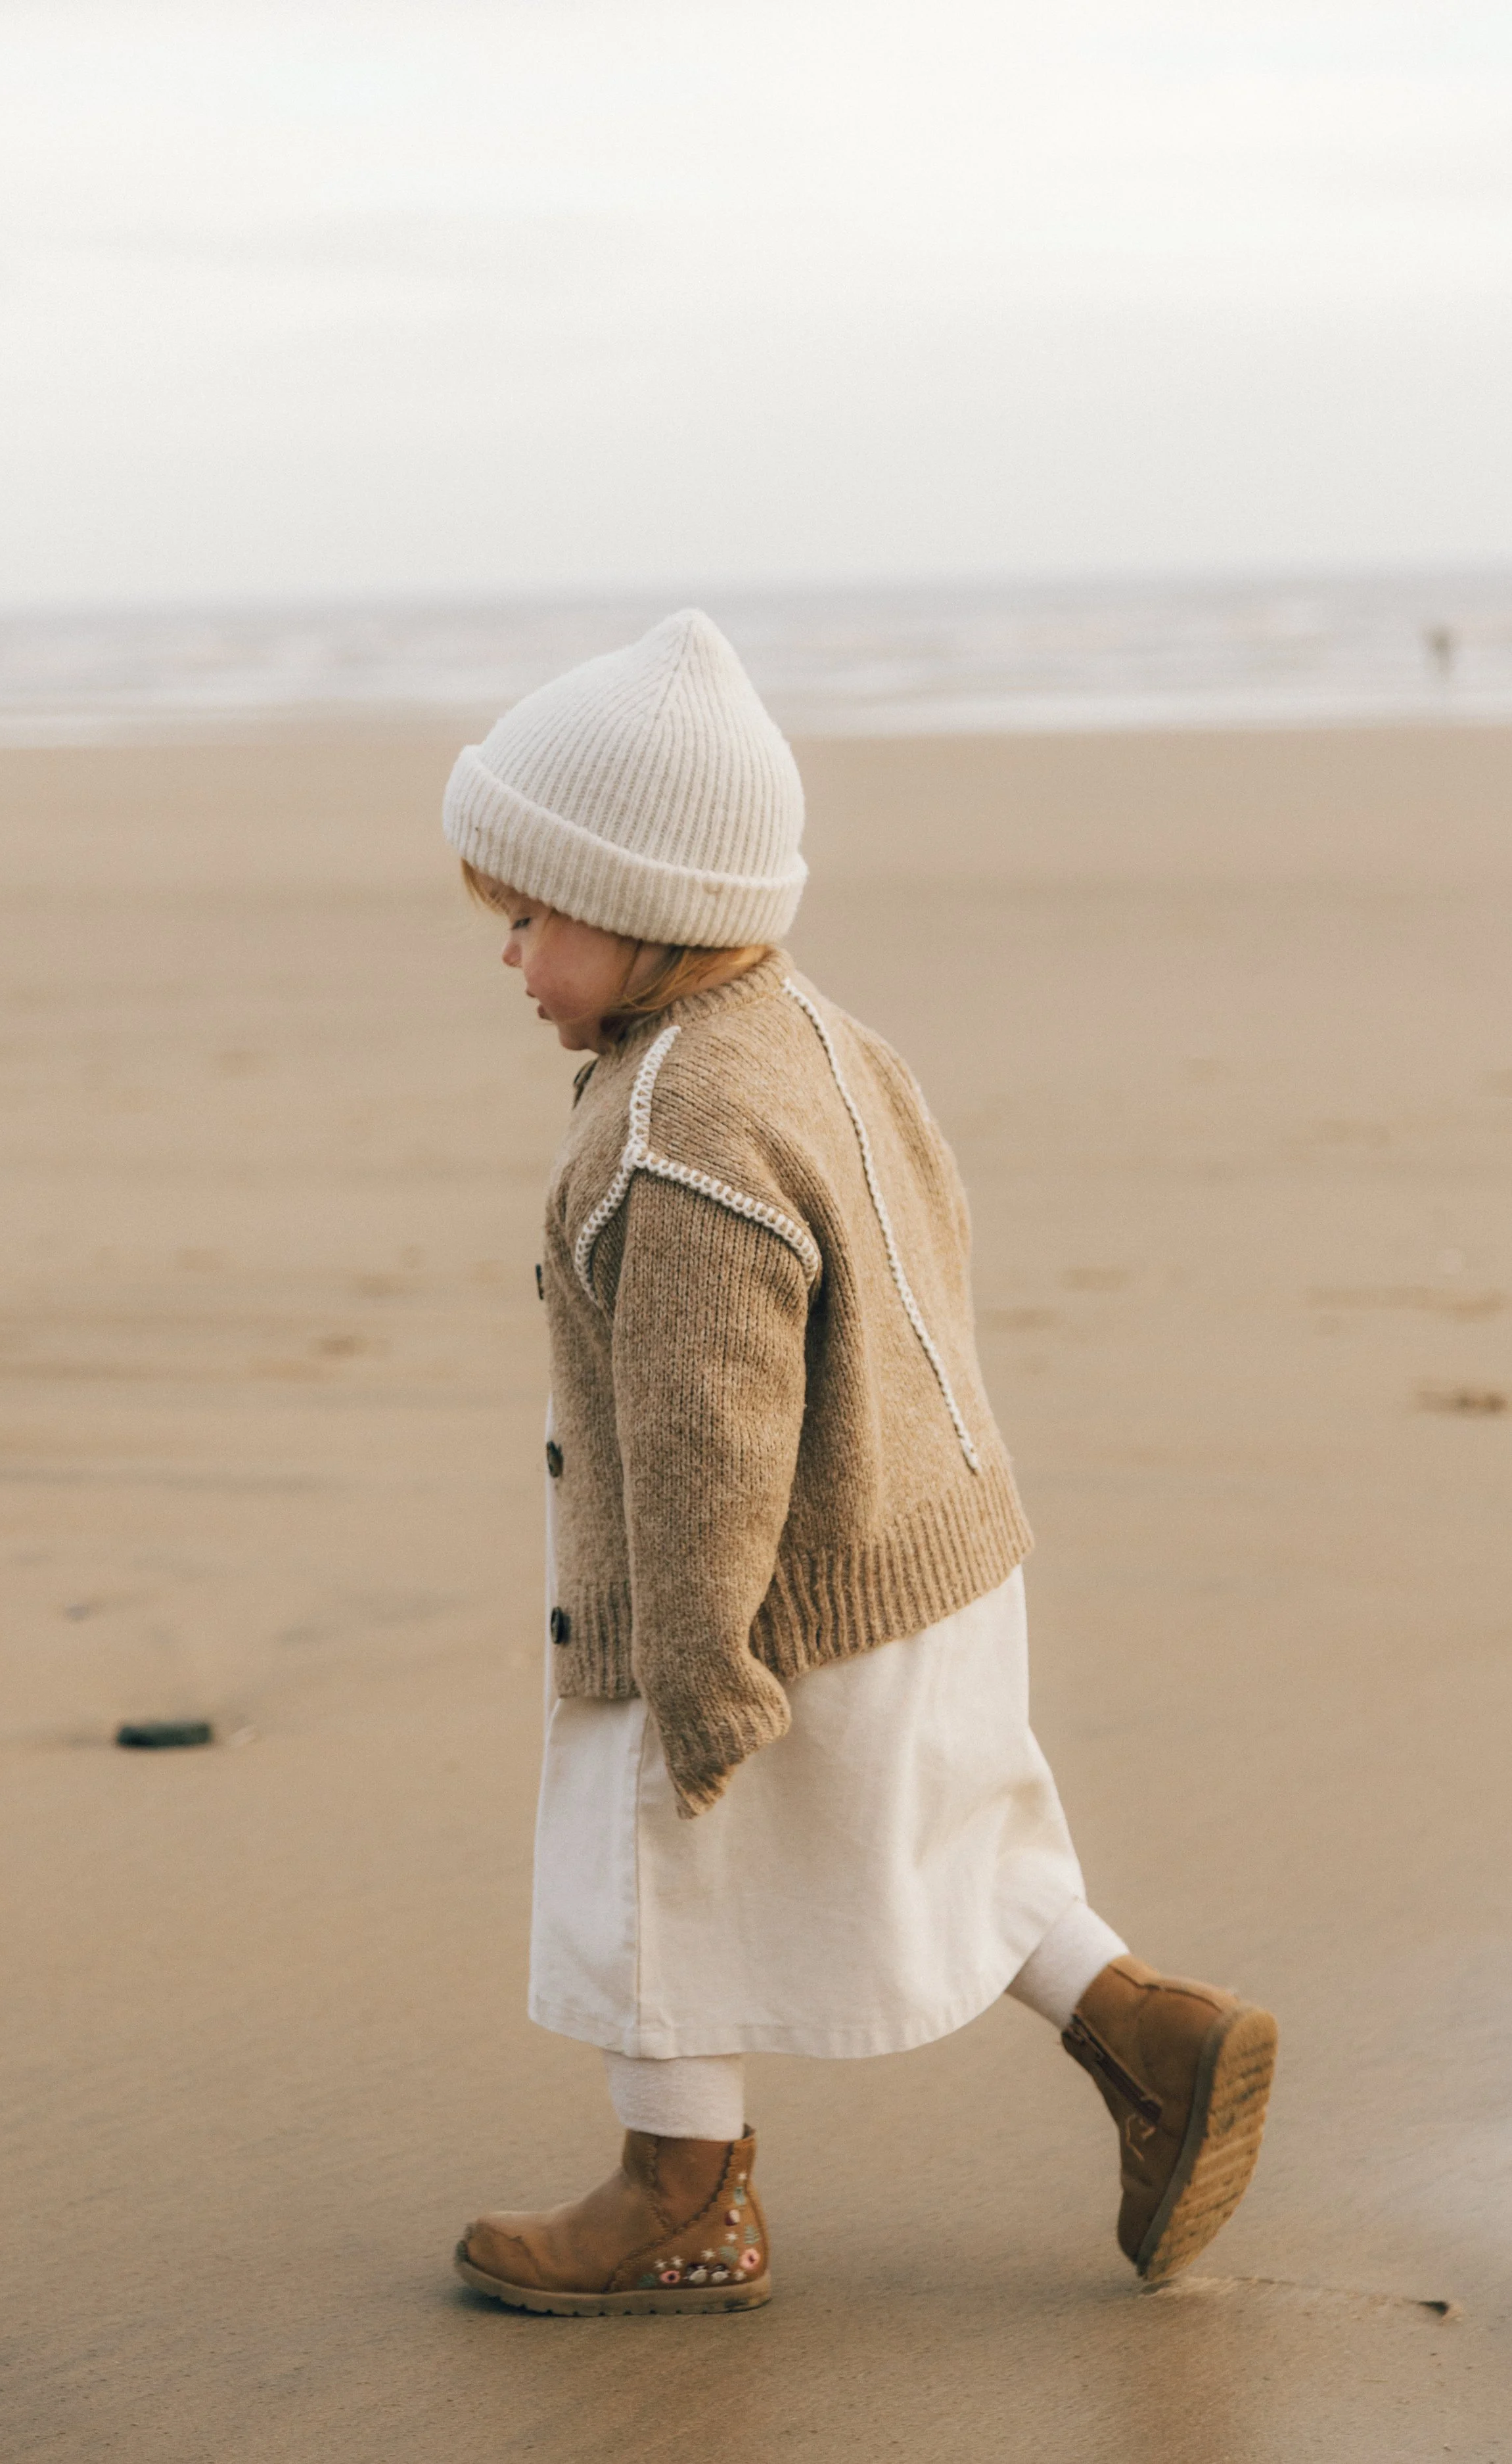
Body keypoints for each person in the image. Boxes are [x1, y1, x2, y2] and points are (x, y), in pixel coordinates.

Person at [444, 610, 1277, 2317]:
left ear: (645, 903)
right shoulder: (812, 1035)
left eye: (531, 916)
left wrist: (694, 1653)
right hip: (924, 1546)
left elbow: (704, 1417)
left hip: (759, 1583)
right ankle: (1150, 2030)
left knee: (655, 1861)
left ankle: (677, 2193)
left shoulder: (681, 1128)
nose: (509, 956)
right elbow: (932, 1252)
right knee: (952, 1827)